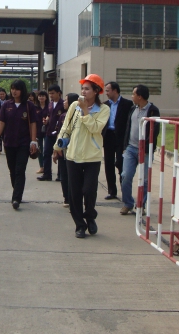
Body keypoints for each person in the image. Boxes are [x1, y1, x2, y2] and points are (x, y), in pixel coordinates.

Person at [53, 74, 110, 239]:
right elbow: (66, 127)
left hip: (92, 157)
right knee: (75, 193)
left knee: (89, 190)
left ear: (96, 91)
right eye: (82, 88)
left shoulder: (104, 109)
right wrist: (57, 147)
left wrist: (85, 111)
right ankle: (80, 225)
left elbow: (96, 128)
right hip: (73, 156)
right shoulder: (74, 106)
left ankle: (90, 216)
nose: (83, 92)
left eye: (87, 89)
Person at [0, 80, 39, 210]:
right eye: (12, 89)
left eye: (17, 89)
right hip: (9, 142)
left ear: (22, 90)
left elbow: (33, 124)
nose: (14, 91)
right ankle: (17, 191)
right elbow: (1, 122)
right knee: (12, 170)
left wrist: (33, 141)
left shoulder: (29, 106)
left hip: (23, 143)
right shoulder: (7, 105)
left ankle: (16, 198)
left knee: (20, 170)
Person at [120, 84, 160, 216]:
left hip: (145, 151)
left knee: (145, 179)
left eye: (133, 94)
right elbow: (128, 127)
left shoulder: (153, 111)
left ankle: (141, 205)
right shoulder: (133, 109)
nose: (132, 96)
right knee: (125, 175)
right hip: (131, 148)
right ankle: (127, 203)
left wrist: (147, 146)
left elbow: (155, 131)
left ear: (140, 96)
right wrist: (125, 146)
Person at [103, 82, 133, 200]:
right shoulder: (105, 105)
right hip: (108, 136)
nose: (106, 93)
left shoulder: (127, 104)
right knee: (108, 164)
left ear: (115, 90)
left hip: (121, 137)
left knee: (121, 163)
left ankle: (124, 190)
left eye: (108, 90)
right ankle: (112, 191)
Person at [53, 92, 79, 207]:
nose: (64, 102)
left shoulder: (79, 116)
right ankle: (67, 198)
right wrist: (56, 149)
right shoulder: (63, 116)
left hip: (75, 151)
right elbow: (59, 133)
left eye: (66, 100)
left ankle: (74, 198)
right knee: (64, 175)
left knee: (73, 176)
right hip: (63, 150)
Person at [38, 84, 64, 181]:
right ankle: (47, 174)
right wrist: (46, 120)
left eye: (53, 93)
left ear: (58, 93)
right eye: (50, 93)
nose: (51, 95)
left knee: (60, 154)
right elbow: (49, 115)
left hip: (59, 133)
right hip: (49, 132)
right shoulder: (50, 104)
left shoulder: (63, 104)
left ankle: (60, 175)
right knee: (46, 153)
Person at [34, 90, 49, 174]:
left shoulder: (49, 106)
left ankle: (47, 167)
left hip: (47, 130)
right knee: (40, 149)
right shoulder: (35, 107)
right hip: (38, 130)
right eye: (40, 96)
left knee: (47, 150)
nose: (41, 97)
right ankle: (41, 167)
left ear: (46, 97)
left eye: (43, 96)